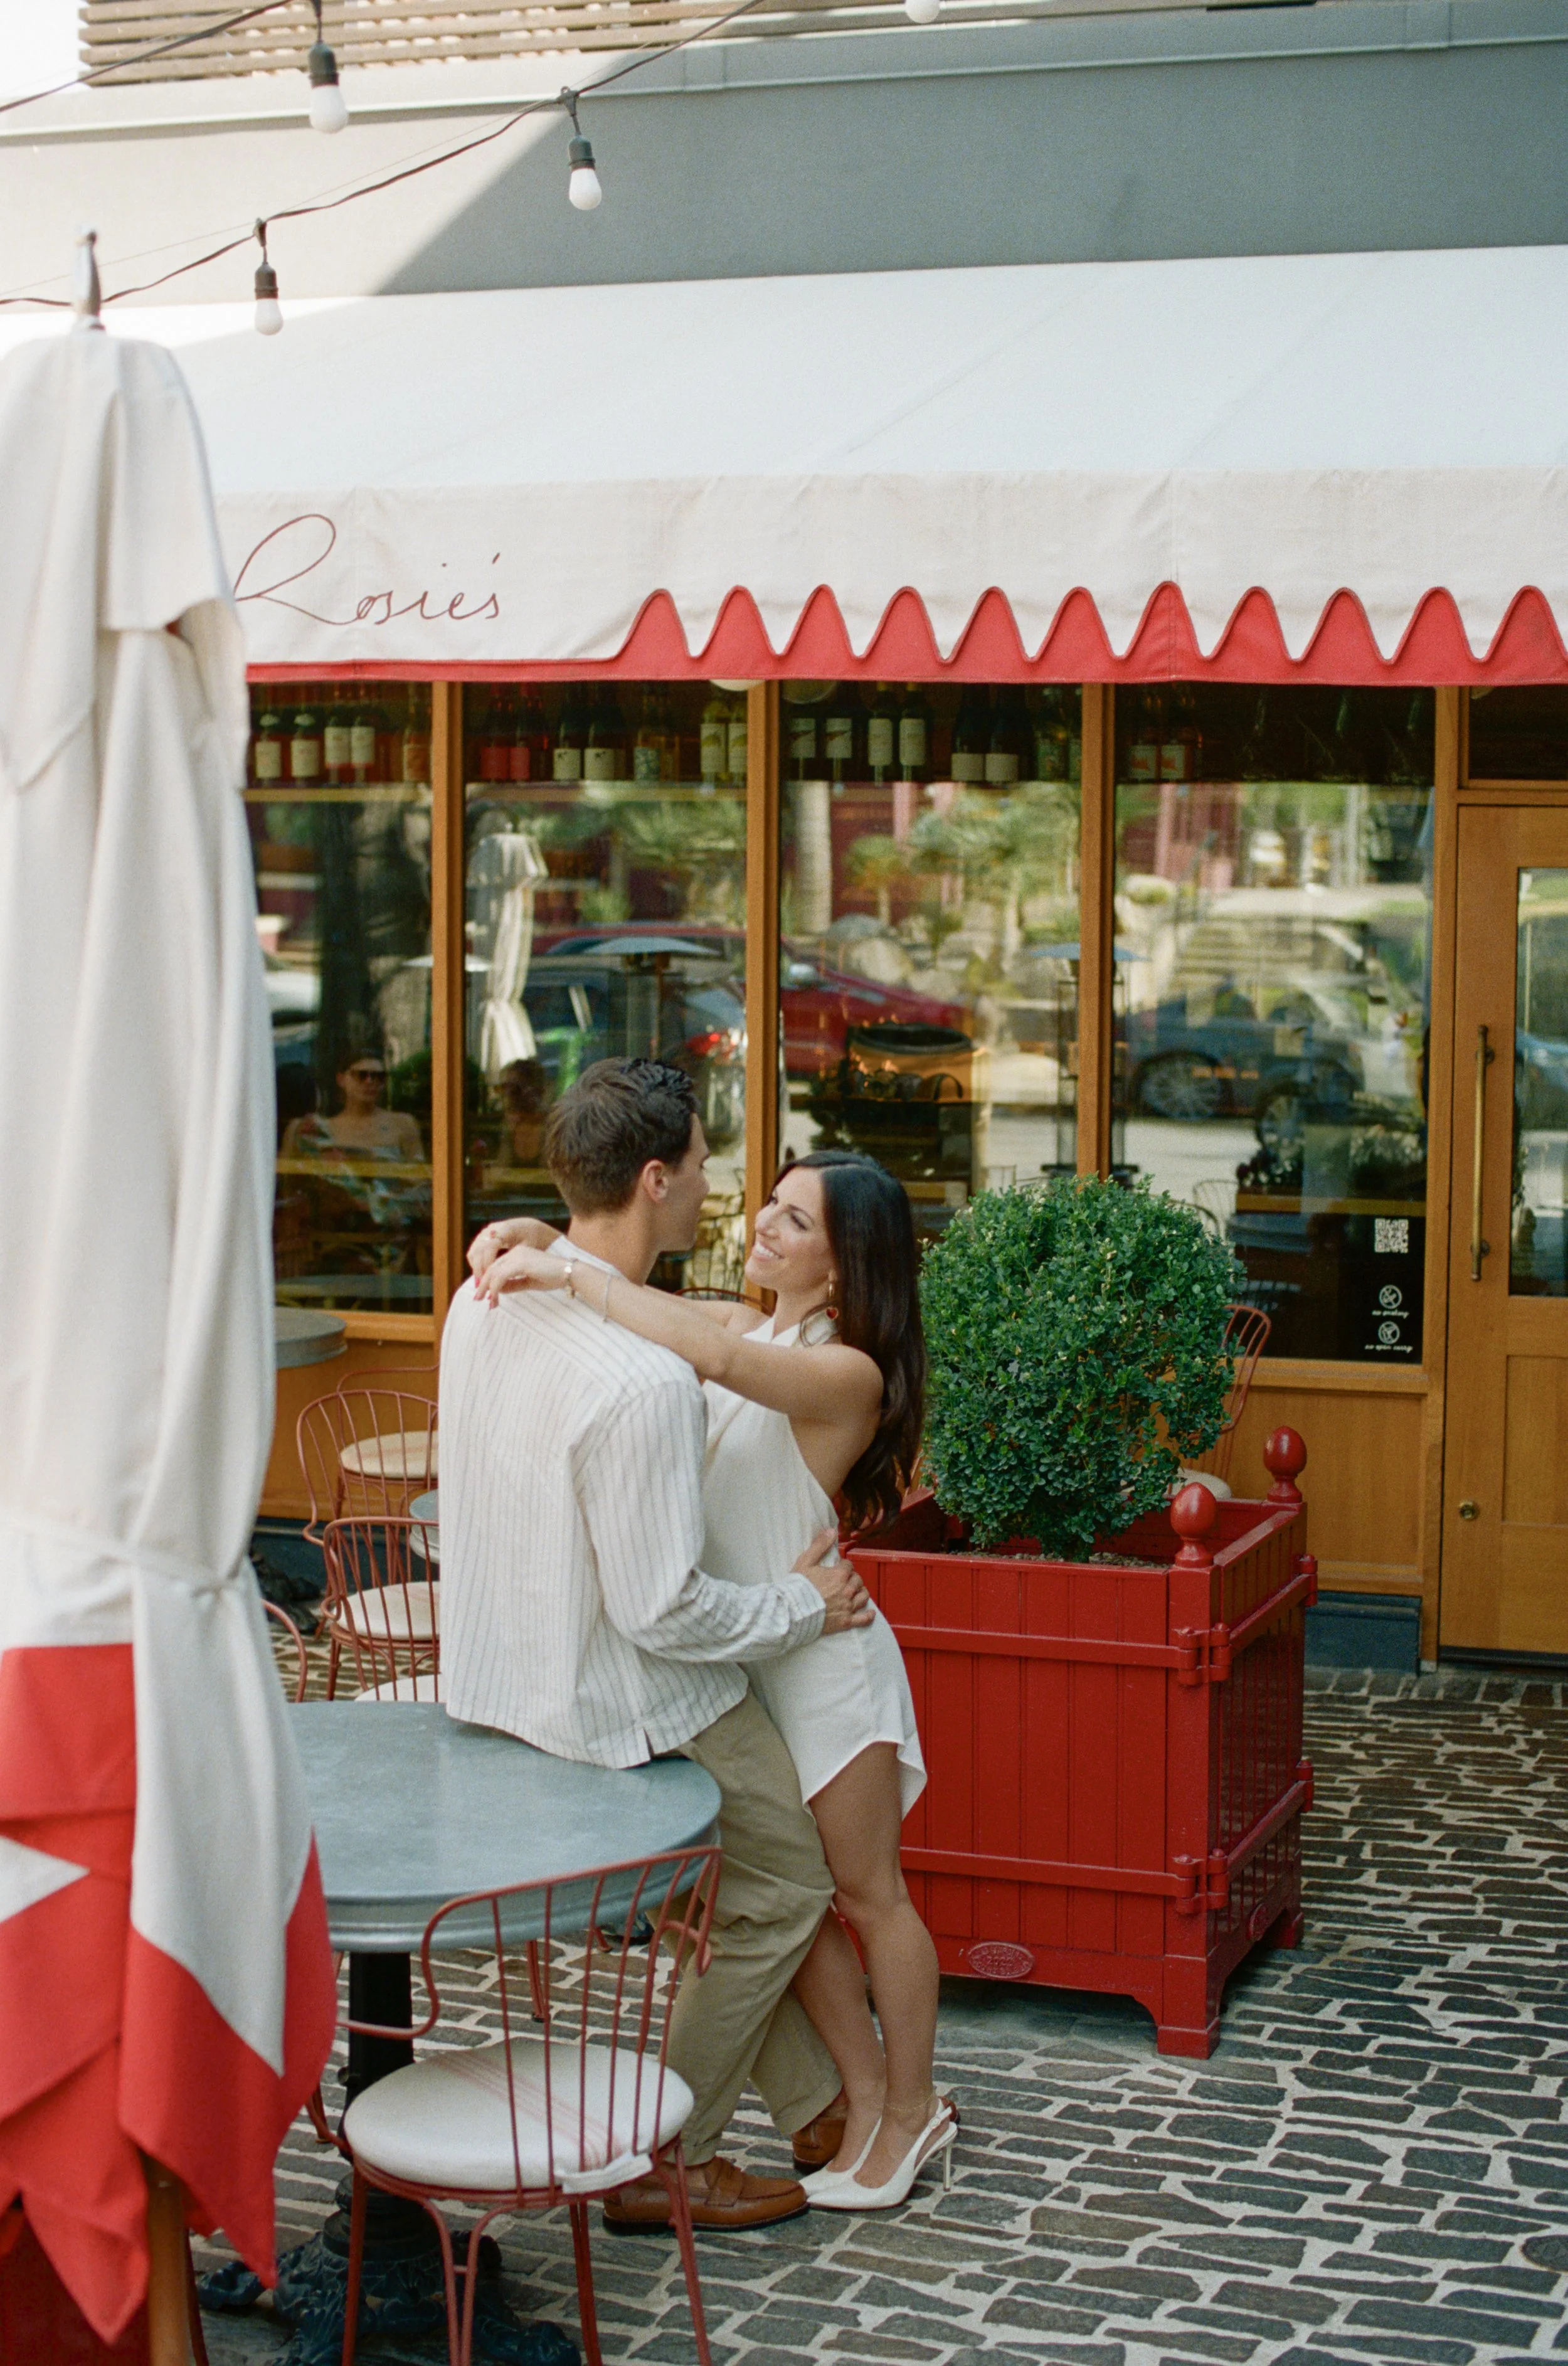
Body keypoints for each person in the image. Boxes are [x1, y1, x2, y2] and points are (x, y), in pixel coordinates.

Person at [470, 1149, 955, 2211]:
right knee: (792, 1902)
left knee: (873, 1899)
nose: (764, 1228)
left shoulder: (845, 1371)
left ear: (844, 1264)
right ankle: (857, 2096)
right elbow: (647, 1303)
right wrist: (525, 1237)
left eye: (795, 1221)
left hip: (826, 1662)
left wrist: (570, 1275)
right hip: (748, 1651)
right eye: (769, 1207)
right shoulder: (755, 1326)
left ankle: (915, 2113)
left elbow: (692, 1346)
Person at [281, 1050, 423, 1162]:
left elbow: (419, 1181)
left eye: (378, 1076)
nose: (370, 1082)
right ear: (341, 1079)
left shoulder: (403, 1124)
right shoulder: (320, 1128)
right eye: (361, 1075)